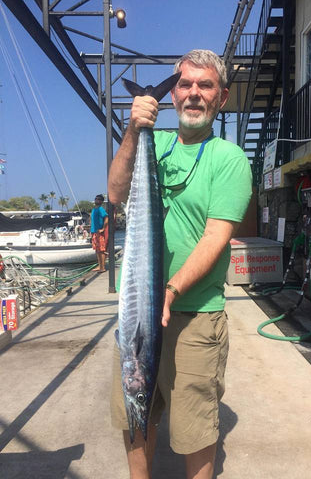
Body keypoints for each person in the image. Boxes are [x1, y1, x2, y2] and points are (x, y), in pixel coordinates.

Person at [108, 49, 252, 479]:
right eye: (184, 84)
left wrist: (168, 292)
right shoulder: (157, 144)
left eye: (204, 86)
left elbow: (215, 238)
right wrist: (135, 130)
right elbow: (116, 194)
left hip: (194, 317)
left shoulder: (229, 159)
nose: (193, 94)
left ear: (221, 98)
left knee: (193, 429)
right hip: (140, 308)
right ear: (172, 96)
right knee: (133, 413)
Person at [90, 194, 108, 273]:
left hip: (99, 232)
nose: (96, 200)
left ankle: (102, 267)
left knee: (101, 250)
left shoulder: (101, 209)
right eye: (95, 198)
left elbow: (106, 218)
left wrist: (103, 228)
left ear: (101, 201)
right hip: (94, 232)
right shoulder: (94, 209)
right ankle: (99, 265)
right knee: (97, 250)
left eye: (98, 199)